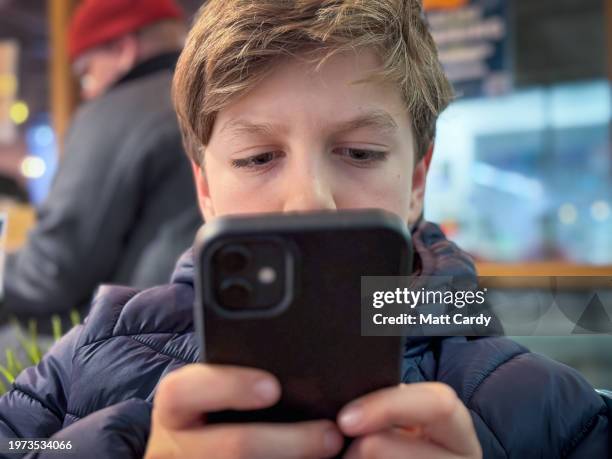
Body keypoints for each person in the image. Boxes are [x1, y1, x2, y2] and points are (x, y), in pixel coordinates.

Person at [0, 1, 610, 458]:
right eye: (258, 158)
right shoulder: (91, 356)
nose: (306, 200)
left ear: (418, 180)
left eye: (361, 153)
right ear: (205, 187)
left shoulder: (546, 409)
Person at [1, 0, 202, 321]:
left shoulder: (118, 110)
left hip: (141, 333)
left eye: (85, 75)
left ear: (123, 50)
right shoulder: (213, 99)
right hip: (207, 322)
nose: (86, 93)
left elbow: (53, 270)